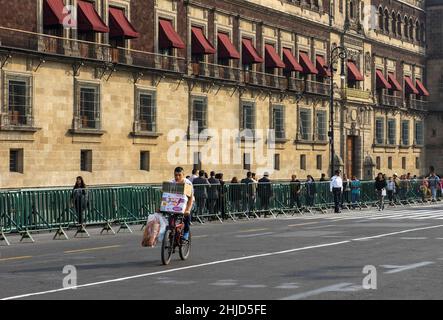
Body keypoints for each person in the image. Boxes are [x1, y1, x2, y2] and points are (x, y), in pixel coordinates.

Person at [171, 167, 194, 241]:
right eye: (175, 175)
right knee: (170, 219)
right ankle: (171, 233)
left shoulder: (187, 183)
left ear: (183, 175)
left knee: (186, 217)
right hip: (176, 203)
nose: (177, 177)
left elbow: (190, 198)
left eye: (179, 175)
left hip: (187, 202)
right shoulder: (172, 183)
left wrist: (188, 210)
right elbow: (165, 196)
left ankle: (186, 232)